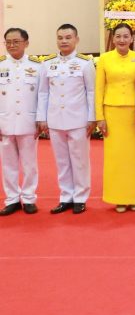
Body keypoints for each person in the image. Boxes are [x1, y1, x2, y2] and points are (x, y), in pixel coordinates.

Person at [37, 23, 96, 214]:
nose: (64, 41)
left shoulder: (85, 63)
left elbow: (91, 92)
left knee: (80, 160)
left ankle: (80, 197)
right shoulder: (47, 63)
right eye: (60, 38)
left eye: (68, 37)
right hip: (55, 119)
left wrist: (92, 118)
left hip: (78, 120)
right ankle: (65, 197)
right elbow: (43, 93)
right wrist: (42, 117)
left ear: (76, 39)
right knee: (62, 161)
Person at [95, 23, 135, 213]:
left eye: (126, 36)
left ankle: (133, 197)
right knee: (115, 158)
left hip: (133, 113)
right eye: (118, 36)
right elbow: (99, 89)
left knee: (133, 157)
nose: (122, 40)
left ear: (131, 38)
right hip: (112, 113)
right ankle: (118, 198)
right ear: (113, 38)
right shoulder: (104, 59)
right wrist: (99, 117)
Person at [0, 28, 43, 216]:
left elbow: (42, 95)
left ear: (26, 43)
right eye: (8, 42)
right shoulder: (1, 65)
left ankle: (29, 198)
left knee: (29, 164)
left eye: (16, 41)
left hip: (28, 122)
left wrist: (41, 119)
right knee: (8, 164)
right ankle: (12, 199)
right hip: (5, 122)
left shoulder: (37, 66)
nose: (11, 45)